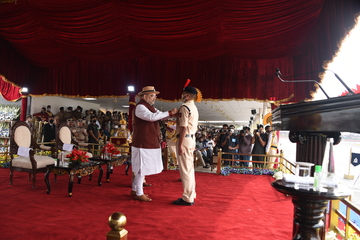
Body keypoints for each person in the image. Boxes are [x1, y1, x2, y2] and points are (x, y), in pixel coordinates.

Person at [131, 86, 178, 202]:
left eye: (155, 96)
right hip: (143, 141)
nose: (154, 98)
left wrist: (171, 115)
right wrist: (169, 113)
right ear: (144, 96)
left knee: (142, 167)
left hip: (148, 141)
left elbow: (160, 115)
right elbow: (152, 117)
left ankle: (135, 189)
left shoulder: (150, 107)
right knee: (141, 168)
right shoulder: (140, 107)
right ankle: (139, 192)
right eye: (152, 95)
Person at [172, 83, 200, 206]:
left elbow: (183, 128)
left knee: (185, 170)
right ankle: (191, 194)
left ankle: (187, 198)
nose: (182, 96)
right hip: (191, 139)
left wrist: (179, 145)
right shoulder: (193, 107)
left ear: (187, 95)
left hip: (184, 139)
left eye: (183, 94)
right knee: (189, 169)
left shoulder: (184, 107)